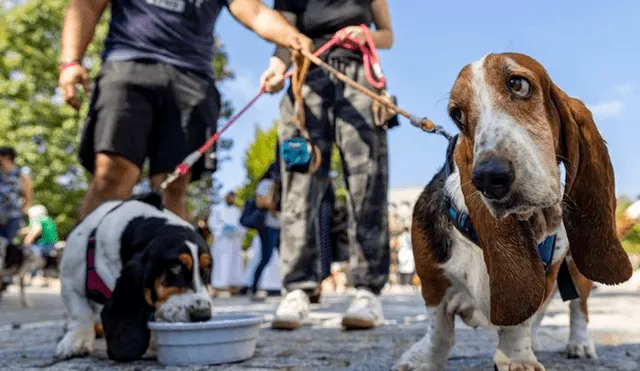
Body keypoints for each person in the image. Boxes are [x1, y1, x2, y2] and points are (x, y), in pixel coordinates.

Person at [59, 0, 314, 219]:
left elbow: (256, 12)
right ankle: (91, 275)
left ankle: (168, 274)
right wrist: (71, 61)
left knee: (174, 187)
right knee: (112, 175)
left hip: (192, 81)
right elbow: (86, 5)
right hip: (128, 68)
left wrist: (293, 37)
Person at [260, 0, 394, 330]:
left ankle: (367, 290)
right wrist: (277, 67)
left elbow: (388, 35)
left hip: (358, 78)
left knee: (367, 180)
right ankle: (297, 289)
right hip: (306, 78)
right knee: (299, 183)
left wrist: (367, 37)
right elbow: (284, 37)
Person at [249, 161, 282, 300]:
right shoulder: (266, 184)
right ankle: (254, 287)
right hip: (269, 226)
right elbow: (260, 202)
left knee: (285, 257)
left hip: (281, 224)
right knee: (265, 258)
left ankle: (285, 286)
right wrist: (274, 200)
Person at [208, 191, 246, 296]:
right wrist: (222, 229)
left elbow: (242, 225)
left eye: (233, 197)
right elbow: (212, 223)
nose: (231, 198)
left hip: (234, 241)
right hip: (222, 241)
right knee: (221, 263)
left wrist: (237, 231)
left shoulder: (237, 211)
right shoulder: (217, 208)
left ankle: (233, 286)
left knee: (234, 263)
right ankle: (218, 285)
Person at [0, 146, 32, 244]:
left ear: (7, 157)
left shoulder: (20, 175)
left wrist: (24, 210)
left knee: (9, 243)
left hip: (14, 216)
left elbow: (28, 195)